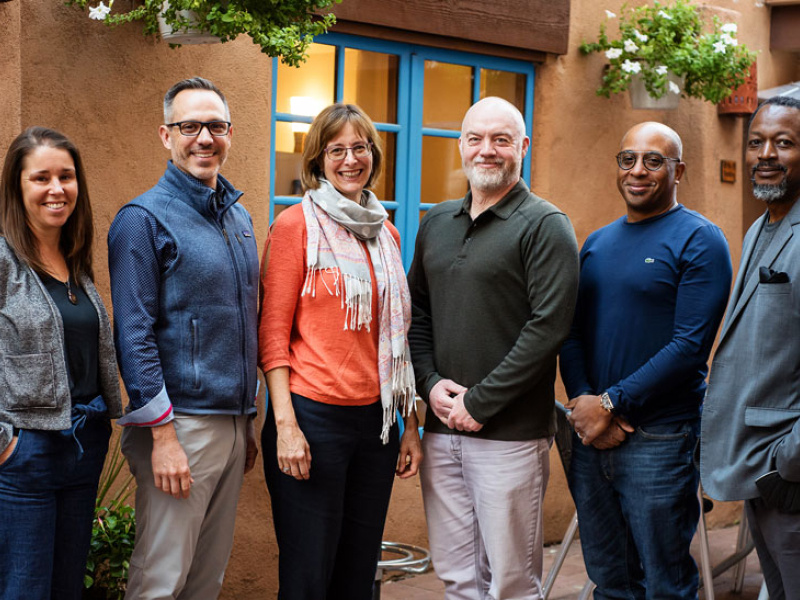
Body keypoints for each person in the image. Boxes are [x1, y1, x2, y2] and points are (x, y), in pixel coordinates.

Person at [407, 96, 579, 599]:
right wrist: (431, 386)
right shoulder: (438, 222)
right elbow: (417, 316)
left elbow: (548, 328)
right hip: (442, 432)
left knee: (510, 583)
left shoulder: (545, 225)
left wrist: (478, 404)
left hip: (510, 438)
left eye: (501, 140)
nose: (487, 150)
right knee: (459, 578)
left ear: (522, 147)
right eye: (476, 139)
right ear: (461, 146)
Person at [560, 121, 732, 598]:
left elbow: (690, 346)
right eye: (628, 159)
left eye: (653, 161)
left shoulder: (700, 240)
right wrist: (583, 404)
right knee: (610, 580)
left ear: (679, 171)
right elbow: (570, 332)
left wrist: (611, 403)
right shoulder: (595, 242)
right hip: (590, 436)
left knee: (665, 583)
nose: (638, 170)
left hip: (660, 436)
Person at [259, 102, 422, 600]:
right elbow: (271, 336)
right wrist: (285, 426)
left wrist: (408, 427)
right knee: (309, 576)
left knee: (358, 575)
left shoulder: (387, 234)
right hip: (312, 421)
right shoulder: (295, 227)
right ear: (319, 159)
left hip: (375, 427)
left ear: (373, 154)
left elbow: (395, 339)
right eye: (337, 150)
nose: (350, 159)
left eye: (360, 148)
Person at [108, 77, 260, 600]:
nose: (203, 138)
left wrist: (249, 420)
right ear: (165, 135)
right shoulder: (141, 220)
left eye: (215, 126)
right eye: (189, 126)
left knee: (204, 581)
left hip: (232, 422)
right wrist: (163, 436)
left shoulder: (237, 217)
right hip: (179, 427)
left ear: (230, 134)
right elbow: (132, 334)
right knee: (161, 580)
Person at [0, 127, 123, 599]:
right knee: (24, 588)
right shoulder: (6, 259)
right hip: (25, 452)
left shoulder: (74, 259)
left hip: (83, 443)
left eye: (66, 177)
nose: (57, 189)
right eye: (41, 178)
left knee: (67, 586)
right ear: (18, 186)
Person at [701, 96, 800, 598]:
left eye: (783, 143)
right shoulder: (762, 225)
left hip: (788, 473)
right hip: (762, 470)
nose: (765, 154)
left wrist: (790, 462)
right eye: (756, 142)